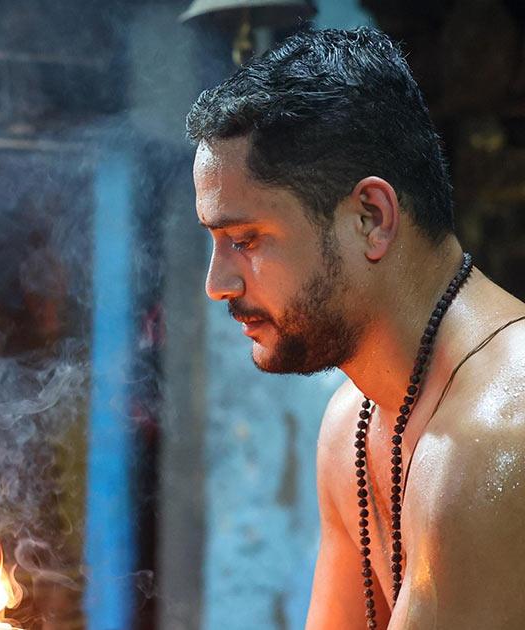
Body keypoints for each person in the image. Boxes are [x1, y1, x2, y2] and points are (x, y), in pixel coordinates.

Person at [187, 27, 525, 629]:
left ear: (371, 217)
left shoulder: (495, 436)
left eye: (245, 239)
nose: (218, 283)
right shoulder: (353, 424)